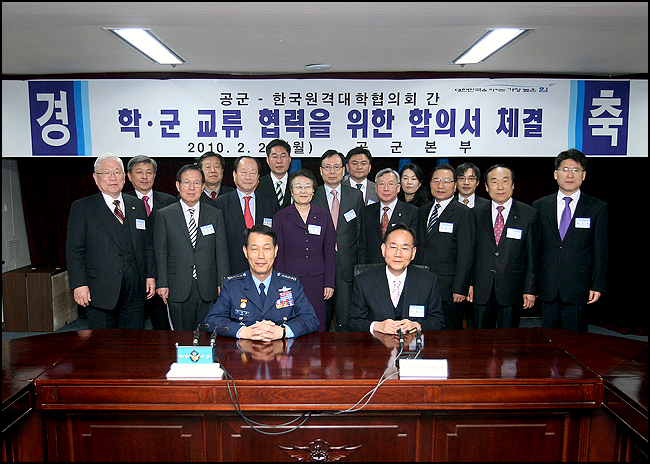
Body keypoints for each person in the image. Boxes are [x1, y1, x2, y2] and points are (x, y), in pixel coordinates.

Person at [66, 152, 155, 329]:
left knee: (133, 342)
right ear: (96, 178)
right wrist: (79, 284)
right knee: (104, 346)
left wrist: (151, 275)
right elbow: (74, 251)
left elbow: (147, 246)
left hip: (135, 291)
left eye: (117, 172)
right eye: (106, 173)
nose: (113, 178)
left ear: (124, 176)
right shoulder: (82, 207)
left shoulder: (136, 205)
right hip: (100, 290)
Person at [532, 149, 608, 331]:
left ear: (584, 175)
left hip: (578, 286)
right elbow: (534, 249)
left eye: (576, 170)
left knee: (575, 343)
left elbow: (600, 250)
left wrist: (597, 284)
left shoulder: (597, 207)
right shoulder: (540, 205)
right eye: (565, 169)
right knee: (548, 340)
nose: (570, 174)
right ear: (555, 174)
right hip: (547, 285)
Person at [205, 225, 320, 341]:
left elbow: (310, 319)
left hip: (282, 353)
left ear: (275, 251)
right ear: (245, 251)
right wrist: (242, 331)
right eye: (255, 249)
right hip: (243, 353)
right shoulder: (232, 286)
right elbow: (212, 320)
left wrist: (283, 331)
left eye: (267, 249)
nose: (261, 256)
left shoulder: (291, 285)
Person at [153, 164, 230, 331]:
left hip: (207, 285)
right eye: (187, 182)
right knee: (180, 334)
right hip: (176, 285)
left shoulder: (214, 214)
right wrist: (162, 283)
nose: (191, 188)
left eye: (196, 183)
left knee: (207, 332)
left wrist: (222, 282)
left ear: (203, 186)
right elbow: (160, 252)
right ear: (177, 185)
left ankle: (206, 358)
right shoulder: (164, 214)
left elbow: (221, 251)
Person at [468, 165, 539, 329]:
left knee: (508, 343)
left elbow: (532, 256)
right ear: (486, 187)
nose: (500, 187)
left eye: (505, 181)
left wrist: (530, 289)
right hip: (481, 288)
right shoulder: (475, 214)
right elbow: (469, 252)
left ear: (513, 185)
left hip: (512, 289)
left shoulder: (528, 214)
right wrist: (469, 284)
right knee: (479, 341)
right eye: (494, 182)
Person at [348, 223, 444, 333]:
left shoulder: (428, 281)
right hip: (377, 346)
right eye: (393, 247)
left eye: (404, 248)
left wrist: (417, 325)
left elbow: (438, 321)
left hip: (414, 346)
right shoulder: (363, 281)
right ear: (383, 249)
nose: (398, 254)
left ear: (413, 253)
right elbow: (353, 322)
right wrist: (376, 326)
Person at [273, 169, 336, 332]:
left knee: (318, 322)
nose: (303, 191)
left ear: (313, 190)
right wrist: (280, 283)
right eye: (298, 186)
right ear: (291, 191)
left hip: (317, 280)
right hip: (289, 279)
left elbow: (329, 251)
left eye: (307, 186)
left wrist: (329, 282)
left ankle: (317, 356)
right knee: (290, 321)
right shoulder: (280, 216)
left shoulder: (323, 215)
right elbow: (277, 252)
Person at [416, 164, 474, 330]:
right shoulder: (423, 210)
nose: (440, 186)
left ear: (455, 186)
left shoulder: (463, 213)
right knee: (422, 329)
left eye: (446, 181)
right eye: (436, 181)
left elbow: (466, 254)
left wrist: (460, 288)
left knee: (449, 333)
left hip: (448, 289)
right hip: (421, 283)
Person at [312, 149, 365, 331]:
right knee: (320, 319)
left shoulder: (355, 196)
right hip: (319, 267)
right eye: (327, 167)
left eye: (336, 167)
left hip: (346, 267)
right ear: (320, 171)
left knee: (345, 319)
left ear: (344, 170)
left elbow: (359, 233)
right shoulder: (312, 195)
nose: (332, 171)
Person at [125, 154, 176, 330]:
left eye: (149, 172)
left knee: (162, 324)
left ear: (155, 175)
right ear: (129, 176)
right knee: (132, 324)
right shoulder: (122, 202)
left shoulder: (169, 201)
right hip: (134, 273)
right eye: (139, 172)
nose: (144, 176)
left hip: (163, 273)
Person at [214, 156, 280, 274]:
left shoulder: (270, 204)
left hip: (264, 270)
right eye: (243, 172)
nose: (248, 177)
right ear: (234, 175)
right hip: (232, 271)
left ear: (258, 177)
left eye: (253, 172)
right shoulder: (220, 204)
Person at [359, 168, 418, 264]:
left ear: (398, 188)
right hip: (372, 268)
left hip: (400, 267)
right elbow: (362, 245)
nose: (386, 188)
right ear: (376, 188)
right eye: (382, 184)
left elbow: (414, 245)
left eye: (390, 184)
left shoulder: (412, 212)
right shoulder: (366, 211)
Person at [257, 139, 293, 210]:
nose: (279, 161)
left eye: (283, 156)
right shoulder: (258, 184)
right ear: (267, 160)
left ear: (289, 159)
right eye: (274, 157)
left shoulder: (296, 183)